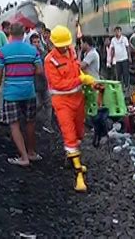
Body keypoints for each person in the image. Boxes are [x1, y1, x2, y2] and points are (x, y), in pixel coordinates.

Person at [44, 25, 93, 192]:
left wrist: (87, 81)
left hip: (78, 99)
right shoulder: (50, 61)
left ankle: (71, 158)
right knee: (69, 133)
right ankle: (78, 172)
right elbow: (58, 84)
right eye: (61, 45)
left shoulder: (72, 52)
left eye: (66, 44)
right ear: (54, 44)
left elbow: (77, 70)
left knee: (79, 132)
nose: (64, 47)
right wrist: (80, 80)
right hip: (62, 101)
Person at [0, 24, 43, 166]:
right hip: (29, 91)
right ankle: (32, 152)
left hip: (11, 93)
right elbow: (40, 71)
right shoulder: (32, 50)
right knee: (30, 122)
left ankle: (23, 158)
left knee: (14, 124)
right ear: (23, 34)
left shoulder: (3, 51)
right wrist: (28, 74)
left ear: (9, 33)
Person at [30, 33, 53, 132]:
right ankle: (31, 121)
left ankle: (48, 124)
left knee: (49, 104)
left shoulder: (44, 54)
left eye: (38, 41)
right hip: (34, 83)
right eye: (34, 42)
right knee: (38, 104)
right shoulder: (29, 56)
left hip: (44, 83)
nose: (37, 44)